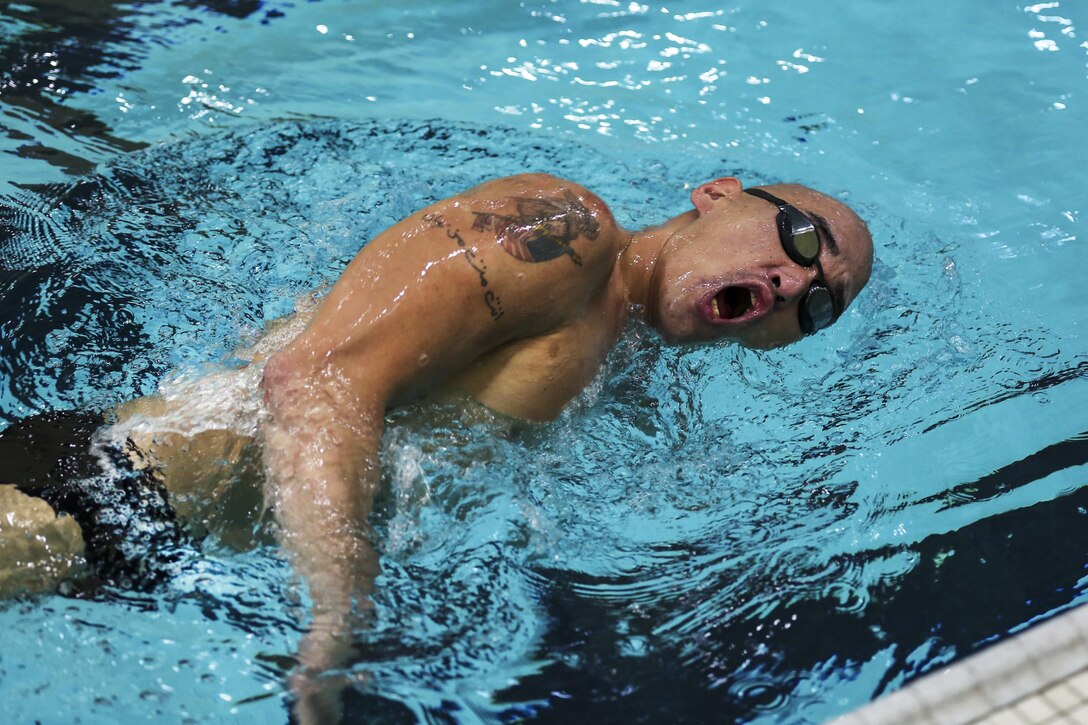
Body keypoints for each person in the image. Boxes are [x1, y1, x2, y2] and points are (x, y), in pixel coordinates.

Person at [0, 173, 872, 718]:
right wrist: (341, 605)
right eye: (798, 238)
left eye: (819, 302)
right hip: (96, 491)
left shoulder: (630, 357)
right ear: (718, 193)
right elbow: (312, 381)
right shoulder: (564, 236)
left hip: (155, 557)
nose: (794, 281)